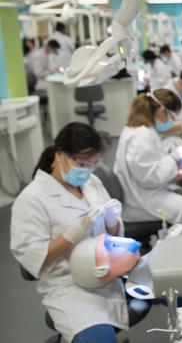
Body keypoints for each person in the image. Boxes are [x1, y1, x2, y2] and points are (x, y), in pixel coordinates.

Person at [11, 122, 128, 343]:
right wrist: (74, 232)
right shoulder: (31, 200)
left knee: (176, 286)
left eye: (94, 164)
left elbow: (113, 236)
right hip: (69, 286)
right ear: (60, 156)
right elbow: (35, 260)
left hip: (108, 274)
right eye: (83, 164)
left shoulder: (92, 182)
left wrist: (112, 222)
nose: (88, 171)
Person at [113, 89, 182, 230]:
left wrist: (175, 166)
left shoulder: (140, 129)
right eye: (171, 117)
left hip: (146, 192)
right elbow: (150, 178)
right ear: (161, 111)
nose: (171, 122)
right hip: (142, 202)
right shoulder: (142, 137)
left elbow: (149, 167)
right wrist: (174, 158)